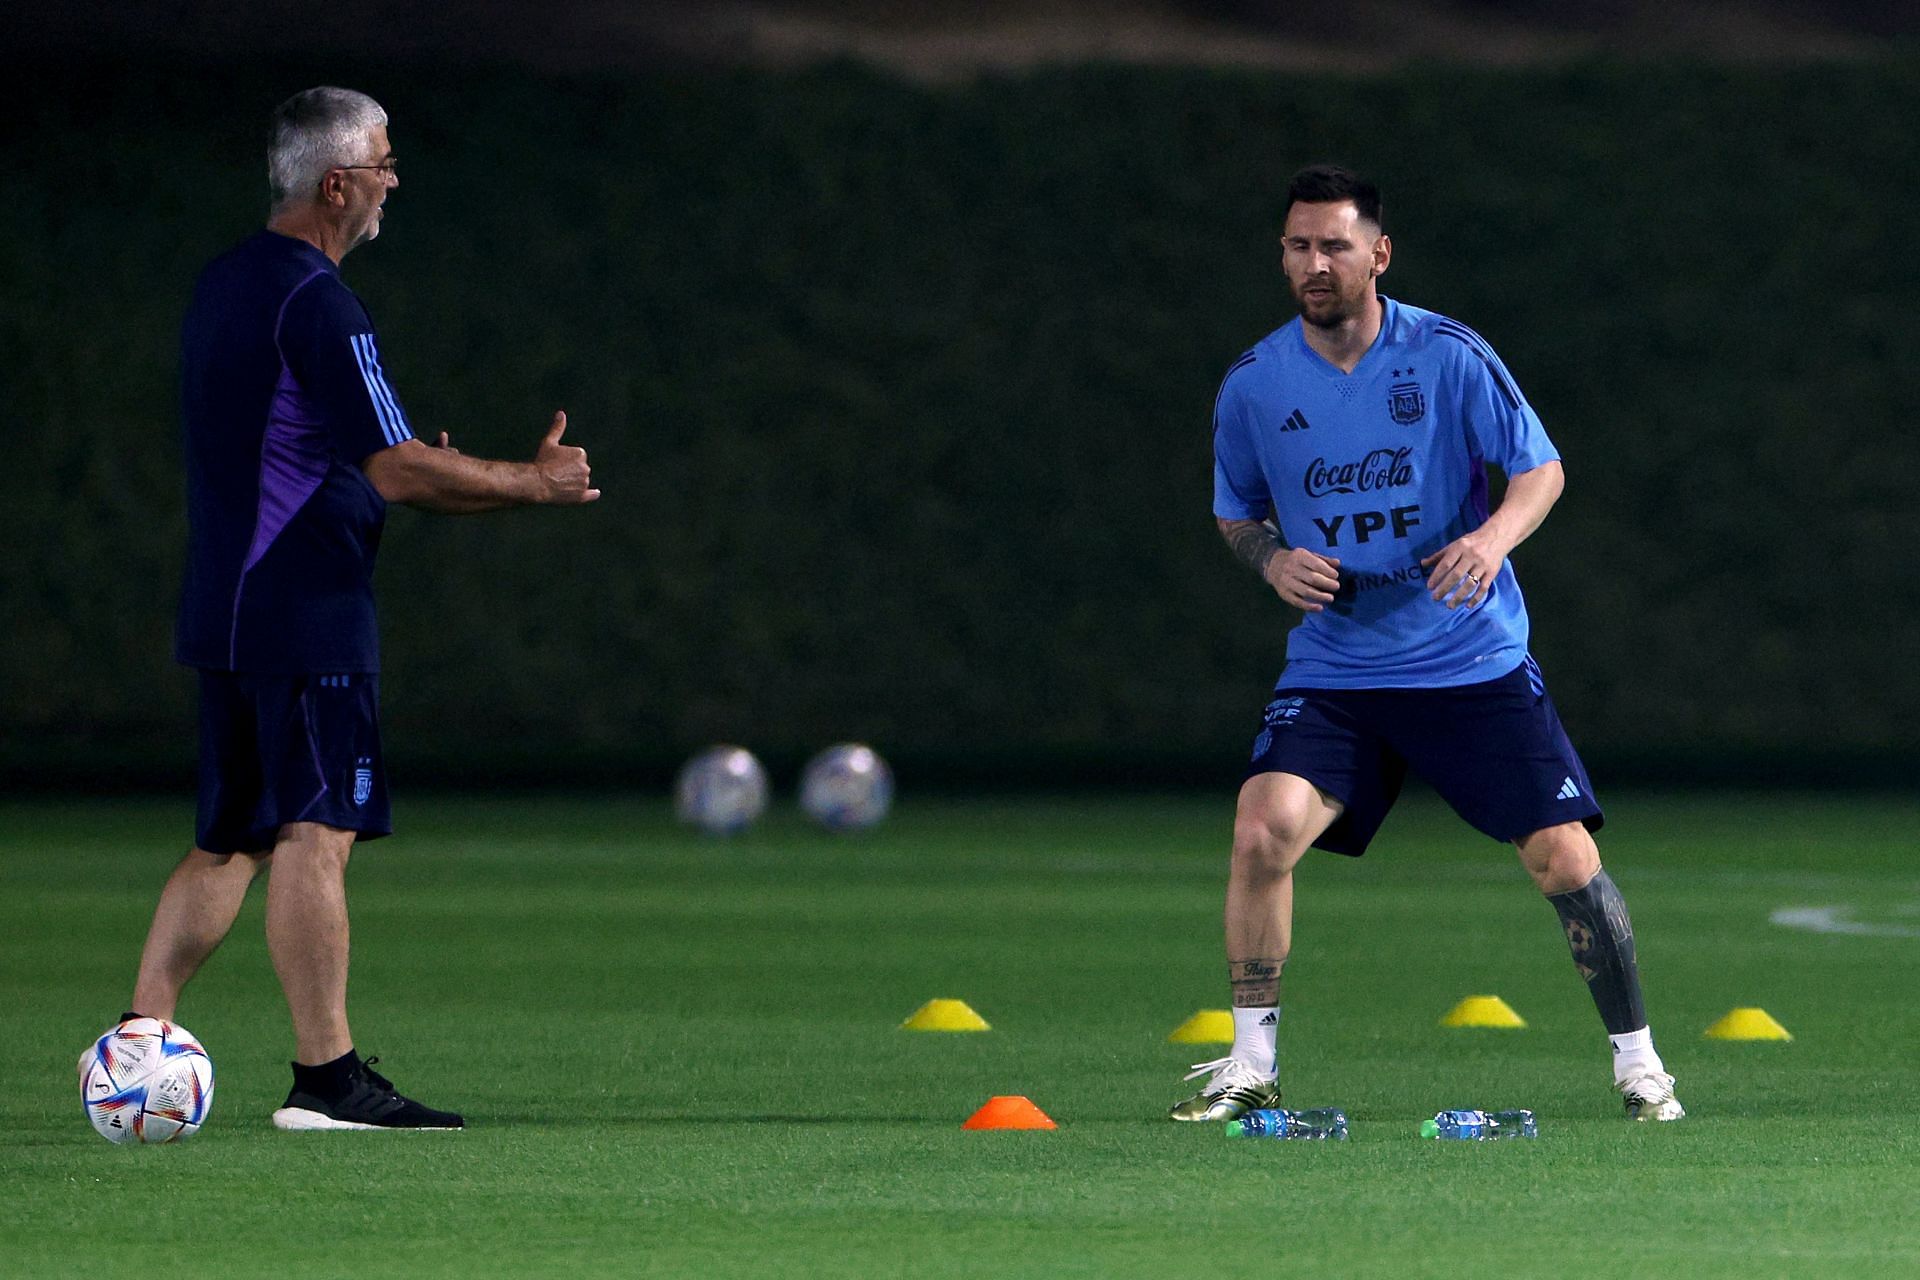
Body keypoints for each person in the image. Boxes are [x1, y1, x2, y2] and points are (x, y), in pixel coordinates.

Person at [107, 86, 600, 1131]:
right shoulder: (319, 301)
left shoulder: (225, 283)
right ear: (337, 183)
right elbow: (398, 469)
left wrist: (421, 464)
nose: (389, 184)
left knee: (227, 839)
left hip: (230, 607)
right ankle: (326, 1079)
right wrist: (531, 481)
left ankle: (135, 1041)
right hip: (308, 612)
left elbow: (296, 455)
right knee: (316, 831)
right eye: (381, 165)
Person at [1173, 164, 1683, 1124]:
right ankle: (1249, 1063)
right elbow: (1235, 513)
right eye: (1297, 245)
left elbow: (1541, 471)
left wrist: (1490, 541)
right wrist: (1272, 562)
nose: (1315, 263)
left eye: (1334, 244)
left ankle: (1640, 1066)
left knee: (1563, 861)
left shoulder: (1447, 356)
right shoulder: (1253, 384)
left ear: (1379, 253)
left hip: (1467, 660)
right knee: (1261, 828)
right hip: (1337, 668)